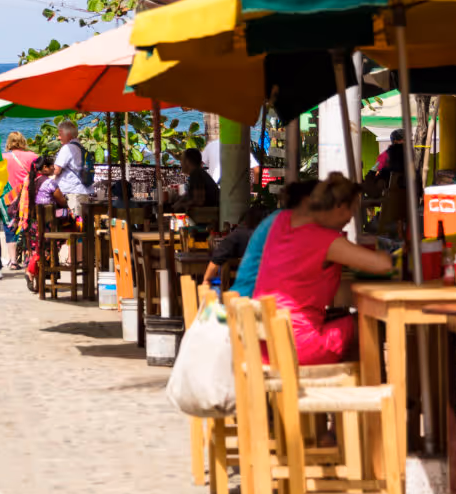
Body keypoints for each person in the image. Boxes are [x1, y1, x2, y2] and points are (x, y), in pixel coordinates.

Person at [252, 174, 395, 365]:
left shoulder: (281, 223)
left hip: (264, 344)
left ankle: (353, 385)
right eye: (351, 210)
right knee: (366, 324)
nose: (351, 218)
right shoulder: (325, 240)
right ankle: (367, 388)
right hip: (295, 344)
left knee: (346, 320)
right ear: (339, 206)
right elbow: (383, 265)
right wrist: (394, 253)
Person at [231, 181, 319, 295]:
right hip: (258, 299)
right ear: (307, 201)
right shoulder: (288, 222)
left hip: (255, 295)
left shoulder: (281, 218)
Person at [2, 131, 37, 270]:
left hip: (8, 197)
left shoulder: (2, 157)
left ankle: (13, 261)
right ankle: (29, 257)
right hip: (27, 195)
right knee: (28, 225)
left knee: (10, 226)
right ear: (23, 141)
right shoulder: (33, 156)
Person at [161, 146, 220, 212]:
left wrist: (180, 205)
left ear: (188, 161)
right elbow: (190, 196)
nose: (180, 163)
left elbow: (198, 201)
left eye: (182, 160)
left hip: (207, 217)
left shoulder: (196, 174)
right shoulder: (198, 173)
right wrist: (178, 199)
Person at [53, 120, 91, 218]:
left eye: (60, 134)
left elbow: (56, 170)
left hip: (73, 193)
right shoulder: (80, 147)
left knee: (75, 224)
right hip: (83, 191)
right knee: (83, 223)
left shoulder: (68, 148)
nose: (58, 137)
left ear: (68, 135)